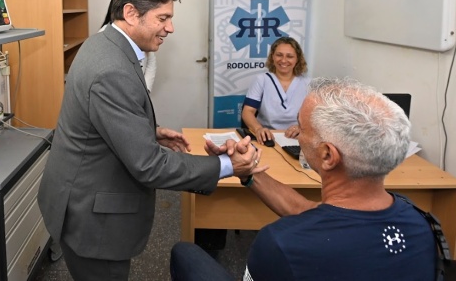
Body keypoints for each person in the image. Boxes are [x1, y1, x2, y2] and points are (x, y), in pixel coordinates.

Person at [37, 0, 264, 281]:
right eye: (163, 18)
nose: (170, 28)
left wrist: (148, 131)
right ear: (131, 13)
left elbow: (100, 117)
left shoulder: (105, 44)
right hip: (92, 221)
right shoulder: (111, 69)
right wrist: (227, 165)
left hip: (78, 195)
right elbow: (149, 165)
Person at [170, 77, 437, 281]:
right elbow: (310, 211)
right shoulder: (421, 223)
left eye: (302, 129)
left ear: (328, 155)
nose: (296, 135)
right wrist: (248, 173)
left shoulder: (282, 243)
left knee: (185, 253)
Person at [241, 36, 310, 144]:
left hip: (297, 138)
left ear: (297, 59)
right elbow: (247, 111)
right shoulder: (262, 80)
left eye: (290, 56)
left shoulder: (308, 84)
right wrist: (258, 129)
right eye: (279, 55)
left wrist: (302, 128)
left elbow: (316, 116)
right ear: (272, 56)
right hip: (267, 138)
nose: (283, 60)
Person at [99, 0, 157, 92]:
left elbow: (151, 60)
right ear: (128, 12)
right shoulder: (104, 35)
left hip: (138, 92)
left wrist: (146, 90)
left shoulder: (140, 33)